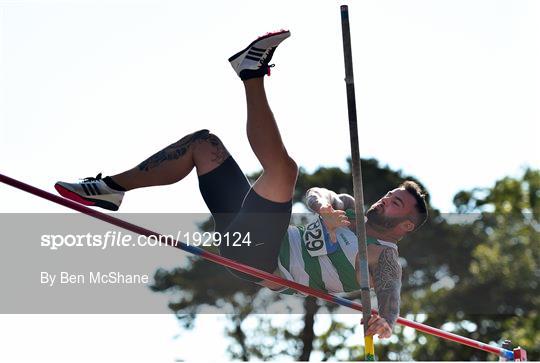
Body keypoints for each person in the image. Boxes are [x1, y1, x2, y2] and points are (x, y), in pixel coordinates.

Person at [54, 30, 428, 338]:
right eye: (389, 195)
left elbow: (390, 294)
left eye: (396, 204)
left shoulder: (385, 258)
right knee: (204, 145)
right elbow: (319, 195)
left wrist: (386, 322)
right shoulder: (347, 207)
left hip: (262, 262)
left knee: (284, 170)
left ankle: (250, 73)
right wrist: (324, 210)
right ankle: (111, 188)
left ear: (406, 225)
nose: (384, 201)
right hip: (246, 233)